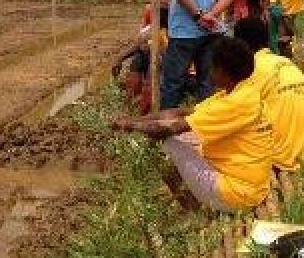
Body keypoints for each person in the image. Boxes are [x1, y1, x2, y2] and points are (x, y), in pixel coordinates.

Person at [113, 36, 274, 212]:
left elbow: (171, 127)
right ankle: (194, 201)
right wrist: (132, 120)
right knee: (180, 136)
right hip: (249, 185)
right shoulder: (239, 93)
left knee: (165, 141)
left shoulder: (235, 103)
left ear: (222, 71)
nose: (210, 72)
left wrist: (130, 126)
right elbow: (181, 112)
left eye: (213, 67)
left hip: (238, 194)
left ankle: (192, 210)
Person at [233, 17, 304, 174]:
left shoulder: (250, 69)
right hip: (303, 155)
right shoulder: (285, 62)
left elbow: (231, 114)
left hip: (276, 161)